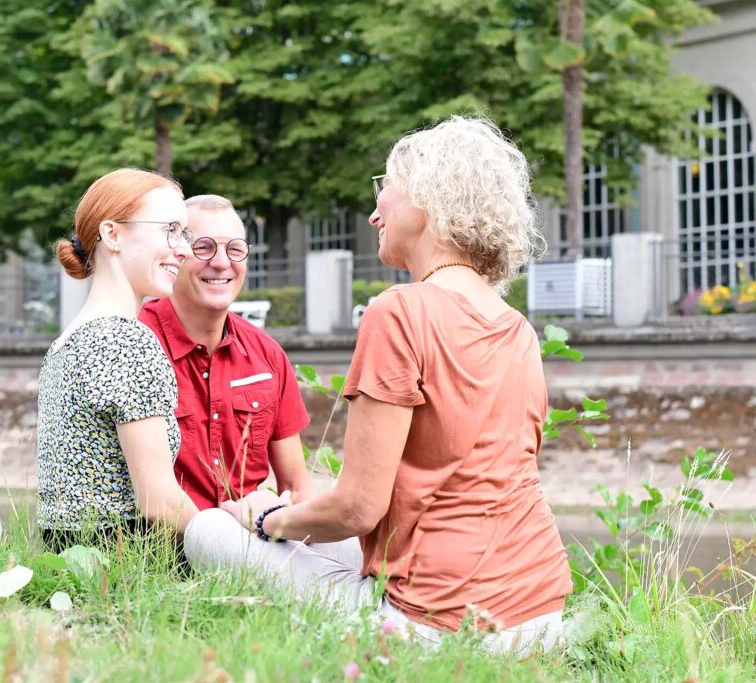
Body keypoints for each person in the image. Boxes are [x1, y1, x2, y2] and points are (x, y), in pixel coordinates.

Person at [184, 116, 573, 657]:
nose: (373, 212)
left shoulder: (400, 311)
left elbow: (358, 510)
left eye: (384, 187)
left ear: (429, 196)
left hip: (441, 627)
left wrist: (268, 518)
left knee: (209, 530)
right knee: (325, 541)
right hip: (541, 615)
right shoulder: (517, 327)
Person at [37, 168, 200, 548]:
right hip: (127, 563)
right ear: (112, 234)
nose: (186, 250)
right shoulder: (125, 341)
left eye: (185, 233)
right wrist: (239, 546)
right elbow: (160, 504)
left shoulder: (66, 342)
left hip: (73, 562)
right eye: (170, 230)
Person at [138, 194, 313, 510]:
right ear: (176, 254)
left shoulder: (267, 355)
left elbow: (297, 490)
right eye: (204, 247)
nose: (221, 263)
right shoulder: (135, 345)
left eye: (235, 249)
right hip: (161, 535)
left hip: (249, 537)